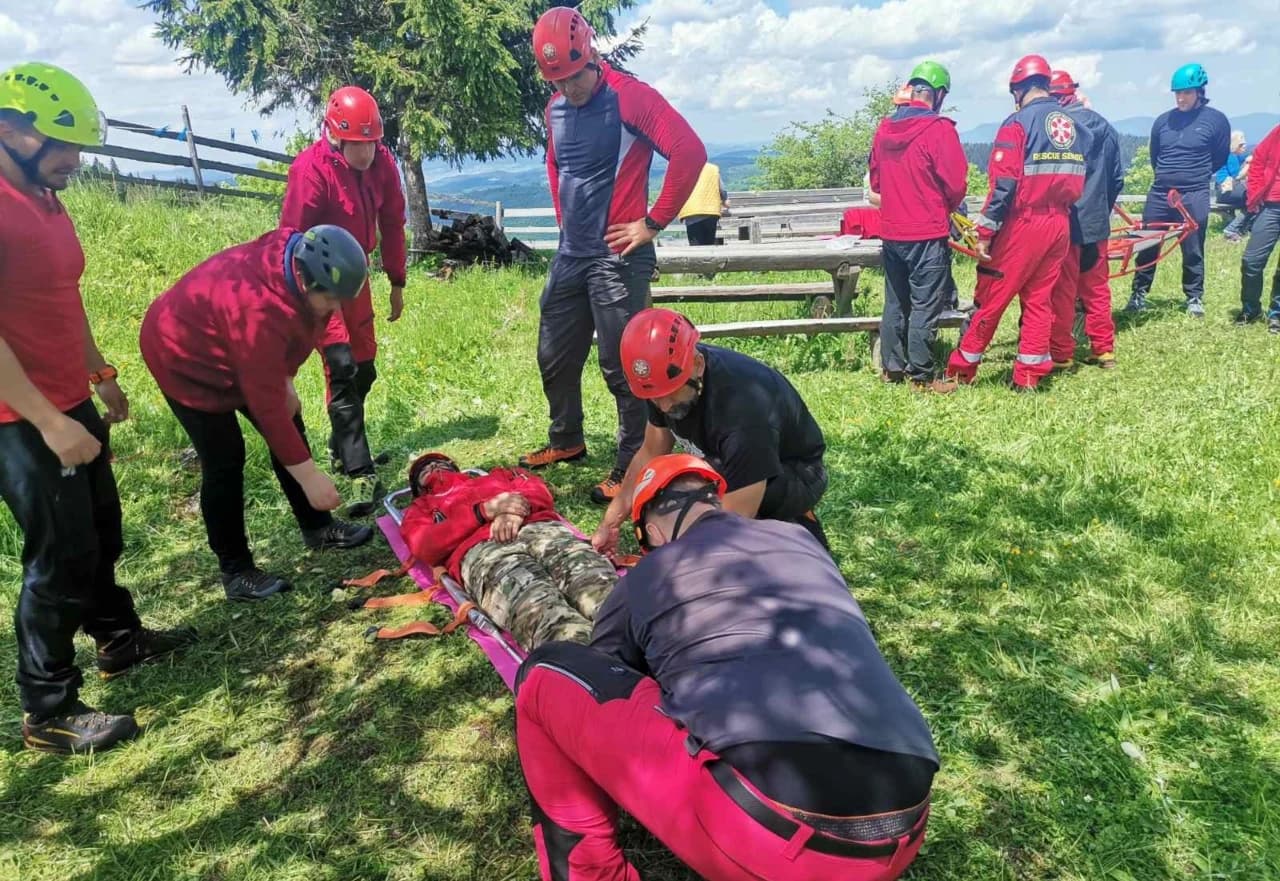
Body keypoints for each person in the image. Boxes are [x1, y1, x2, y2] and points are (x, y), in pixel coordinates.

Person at [515, 454, 939, 881]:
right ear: (715, 502)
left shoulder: (650, 574)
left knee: (546, 673)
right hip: (903, 829)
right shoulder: (800, 540)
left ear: (654, 532)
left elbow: (607, 673)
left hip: (775, 849)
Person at [0, 62, 196, 754]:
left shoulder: (46, 199)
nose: (75, 162)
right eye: (63, 146)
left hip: (67, 396)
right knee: (58, 555)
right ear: (14, 131)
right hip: (17, 418)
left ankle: (117, 639)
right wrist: (49, 421)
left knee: (100, 532)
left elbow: (62, 295)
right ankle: (46, 707)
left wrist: (99, 372)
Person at [519, 7, 707, 508]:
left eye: (574, 76)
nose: (569, 88)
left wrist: (653, 223)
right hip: (572, 252)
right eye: (556, 79)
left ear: (591, 55)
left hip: (619, 255)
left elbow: (689, 151)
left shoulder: (630, 97)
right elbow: (557, 165)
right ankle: (566, 440)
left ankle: (631, 462)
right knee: (553, 354)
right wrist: (564, 221)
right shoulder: (553, 108)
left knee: (623, 364)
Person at [140, 225, 375, 602]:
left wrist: (286, 379)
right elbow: (265, 404)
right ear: (305, 279)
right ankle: (236, 571)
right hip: (183, 357)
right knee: (224, 458)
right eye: (330, 299)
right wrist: (312, 477)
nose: (335, 309)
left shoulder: (293, 259)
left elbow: (291, 341)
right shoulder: (259, 311)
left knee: (290, 425)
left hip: (239, 346)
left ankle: (318, 528)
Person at [593, 308, 829, 551]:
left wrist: (691, 563)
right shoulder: (664, 378)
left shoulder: (743, 410)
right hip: (724, 459)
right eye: (655, 398)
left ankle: (794, 523)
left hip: (793, 472)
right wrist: (610, 523)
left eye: (670, 394)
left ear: (697, 365)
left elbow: (735, 518)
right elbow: (650, 451)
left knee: (696, 504)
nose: (663, 406)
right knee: (665, 486)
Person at [281, 85, 408, 517]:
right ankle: (359, 469)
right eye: (359, 146)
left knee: (365, 367)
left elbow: (393, 221)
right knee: (342, 367)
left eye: (373, 144)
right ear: (336, 137)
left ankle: (340, 444)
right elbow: (290, 237)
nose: (368, 154)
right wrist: (300, 302)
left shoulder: (383, 163)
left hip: (358, 279)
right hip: (319, 284)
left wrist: (397, 280)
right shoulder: (310, 170)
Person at [945, 55, 1091, 391]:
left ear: (1018, 89)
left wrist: (983, 234)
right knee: (1040, 300)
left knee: (991, 297)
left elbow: (1004, 185)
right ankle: (1028, 377)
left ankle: (960, 371)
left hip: (1024, 224)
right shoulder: (1071, 125)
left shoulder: (1017, 124)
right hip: (1060, 224)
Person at [399, 453, 618, 650]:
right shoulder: (421, 509)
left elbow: (538, 489)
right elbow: (425, 545)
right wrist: (483, 512)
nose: (433, 466)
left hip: (538, 528)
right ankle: (595, 665)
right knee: (537, 608)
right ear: (417, 489)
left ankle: (640, 631)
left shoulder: (497, 476)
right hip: (482, 552)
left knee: (594, 581)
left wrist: (514, 511)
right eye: (424, 469)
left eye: (439, 462)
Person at [869, 60, 968, 393]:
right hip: (926, 231)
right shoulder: (939, 130)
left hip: (892, 231)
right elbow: (955, 184)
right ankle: (922, 376)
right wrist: (946, 207)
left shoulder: (884, 129)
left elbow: (877, 182)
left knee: (896, 300)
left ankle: (892, 368)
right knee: (925, 304)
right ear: (938, 94)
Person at [1125, 64, 1230, 317]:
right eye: (1177, 93)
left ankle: (1194, 296)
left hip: (1194, 193)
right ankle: (1139, 293)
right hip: (1161, 192)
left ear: (1199, 92)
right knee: (1147, 242)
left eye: (1186, 93)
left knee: (1193, 245)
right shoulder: (1163, 121)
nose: (1181, 98)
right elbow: (1155, 156)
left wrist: (1196, 176)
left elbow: (1220, 155)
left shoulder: (1216, 120)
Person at [1047, 69, 1124, 370]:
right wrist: (1101, 211)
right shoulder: (1105, 126)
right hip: (1096, 223)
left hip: (1066, 221)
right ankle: (1103, 350)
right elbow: (1116, 178)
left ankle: (1062, 354)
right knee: (1097, 288)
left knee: (1063, 291)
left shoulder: (1056, 128)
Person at [1236, 121, 1280, 331]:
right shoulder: (1277, 133)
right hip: (1271, 206)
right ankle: (1250, 309)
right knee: (1251, 261)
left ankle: (1276, 314)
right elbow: (1258, 162)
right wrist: (1254, 194)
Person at [678, 162, 728, 246]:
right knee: (709, 246)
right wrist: (724, 201)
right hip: (711, 211)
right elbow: (722, 191)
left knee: (696, 249)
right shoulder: (713, 169)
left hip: (691, 212)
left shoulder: (681, 168)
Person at [1217, 131, 1253, 241]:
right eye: (1242, 144)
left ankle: (1242, 229)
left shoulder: (1235, 156)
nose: (1244, 146)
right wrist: (1248, 164)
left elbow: (1248, 156)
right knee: (1254, 200)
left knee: (1252, 200)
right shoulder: (1230, 156)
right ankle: (1233, 229)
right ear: (1235, 144)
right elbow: (1237, 176)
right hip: (1226, 190)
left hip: (1227, 191)